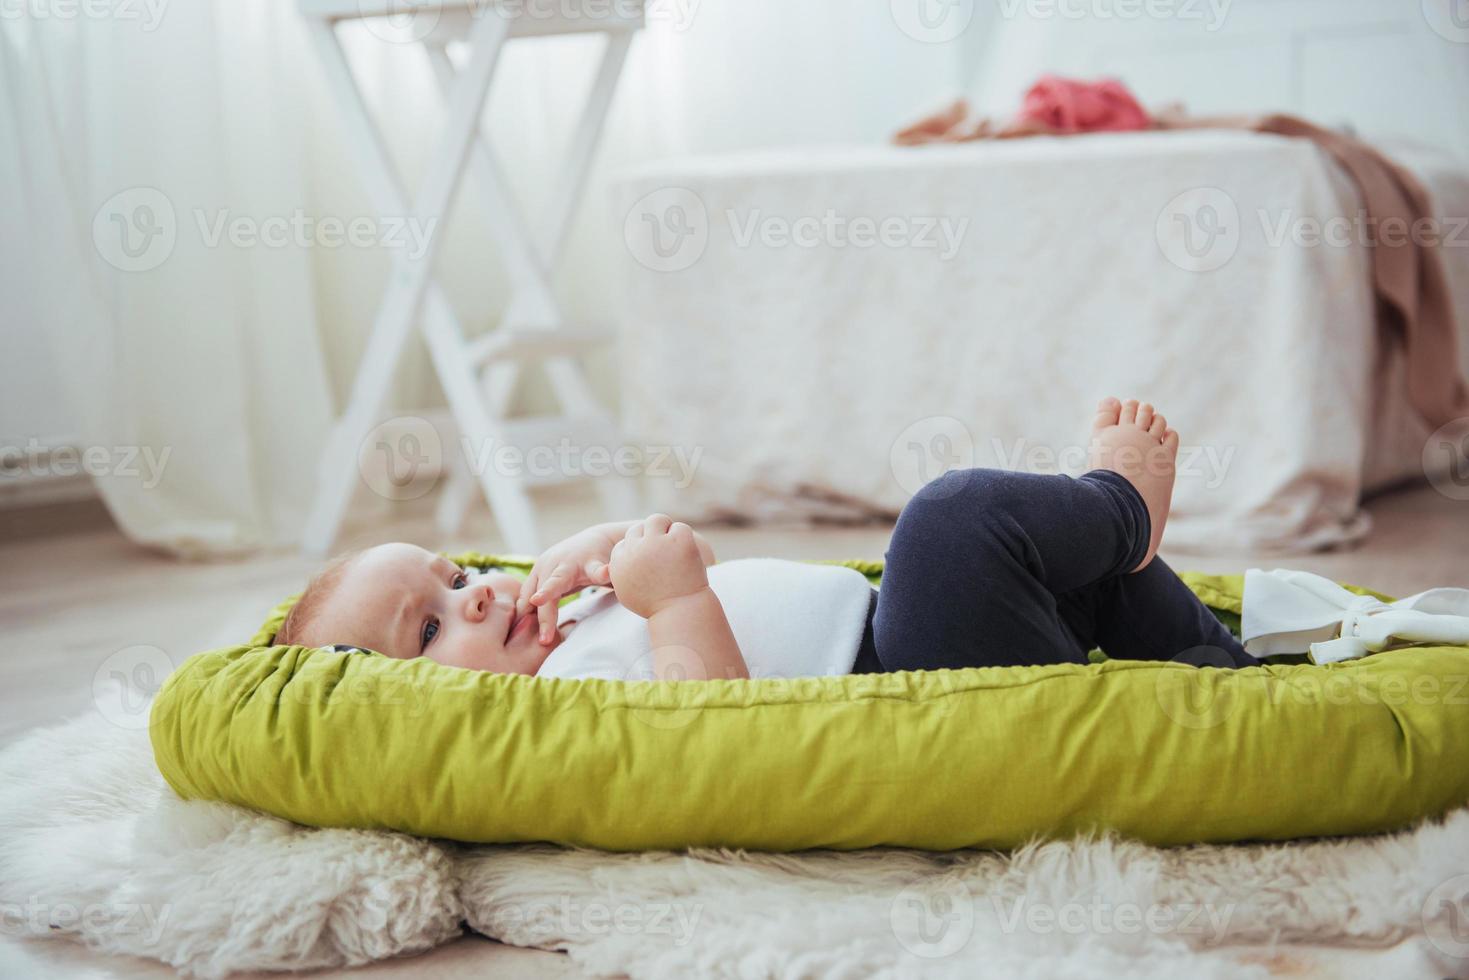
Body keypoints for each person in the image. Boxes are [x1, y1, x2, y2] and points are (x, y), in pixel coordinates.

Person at [274, 397, 1258, 680]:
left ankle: (1207, 662)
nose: (476, 594)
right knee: (947, 521)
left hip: (902, 628)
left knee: (1075, 579)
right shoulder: (566, 704)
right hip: (897, 679)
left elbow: (686, 561)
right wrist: (668, 604)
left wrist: (611, 549)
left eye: (452, 576)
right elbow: (704, 728)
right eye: (431, 627)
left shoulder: (562, 624)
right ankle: (1118, 510)